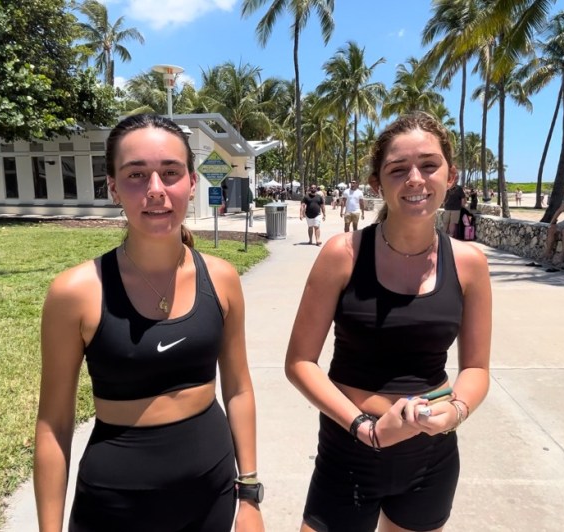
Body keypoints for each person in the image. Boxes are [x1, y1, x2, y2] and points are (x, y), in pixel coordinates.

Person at [33, 114, 264, 532]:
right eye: (137, 174)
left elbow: (239, 387)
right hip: (115, 503)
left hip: (210, 492)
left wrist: (249, 496)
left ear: (192, 183)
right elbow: (54, 422)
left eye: (170, 173)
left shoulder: (222, 278)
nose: (156, 190)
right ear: (114, 187)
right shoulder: (76, 292)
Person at [285, 112, 492, 532]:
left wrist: (454, 413)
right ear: (378, 184)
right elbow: (299, 362)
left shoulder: (469, 263)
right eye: (398, 169)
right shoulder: (343, 254)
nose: (415, 179)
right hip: (350, 449)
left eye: (429, 165)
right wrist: (366, 428)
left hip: (431, 458)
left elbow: (476, 369)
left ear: (451, 175)